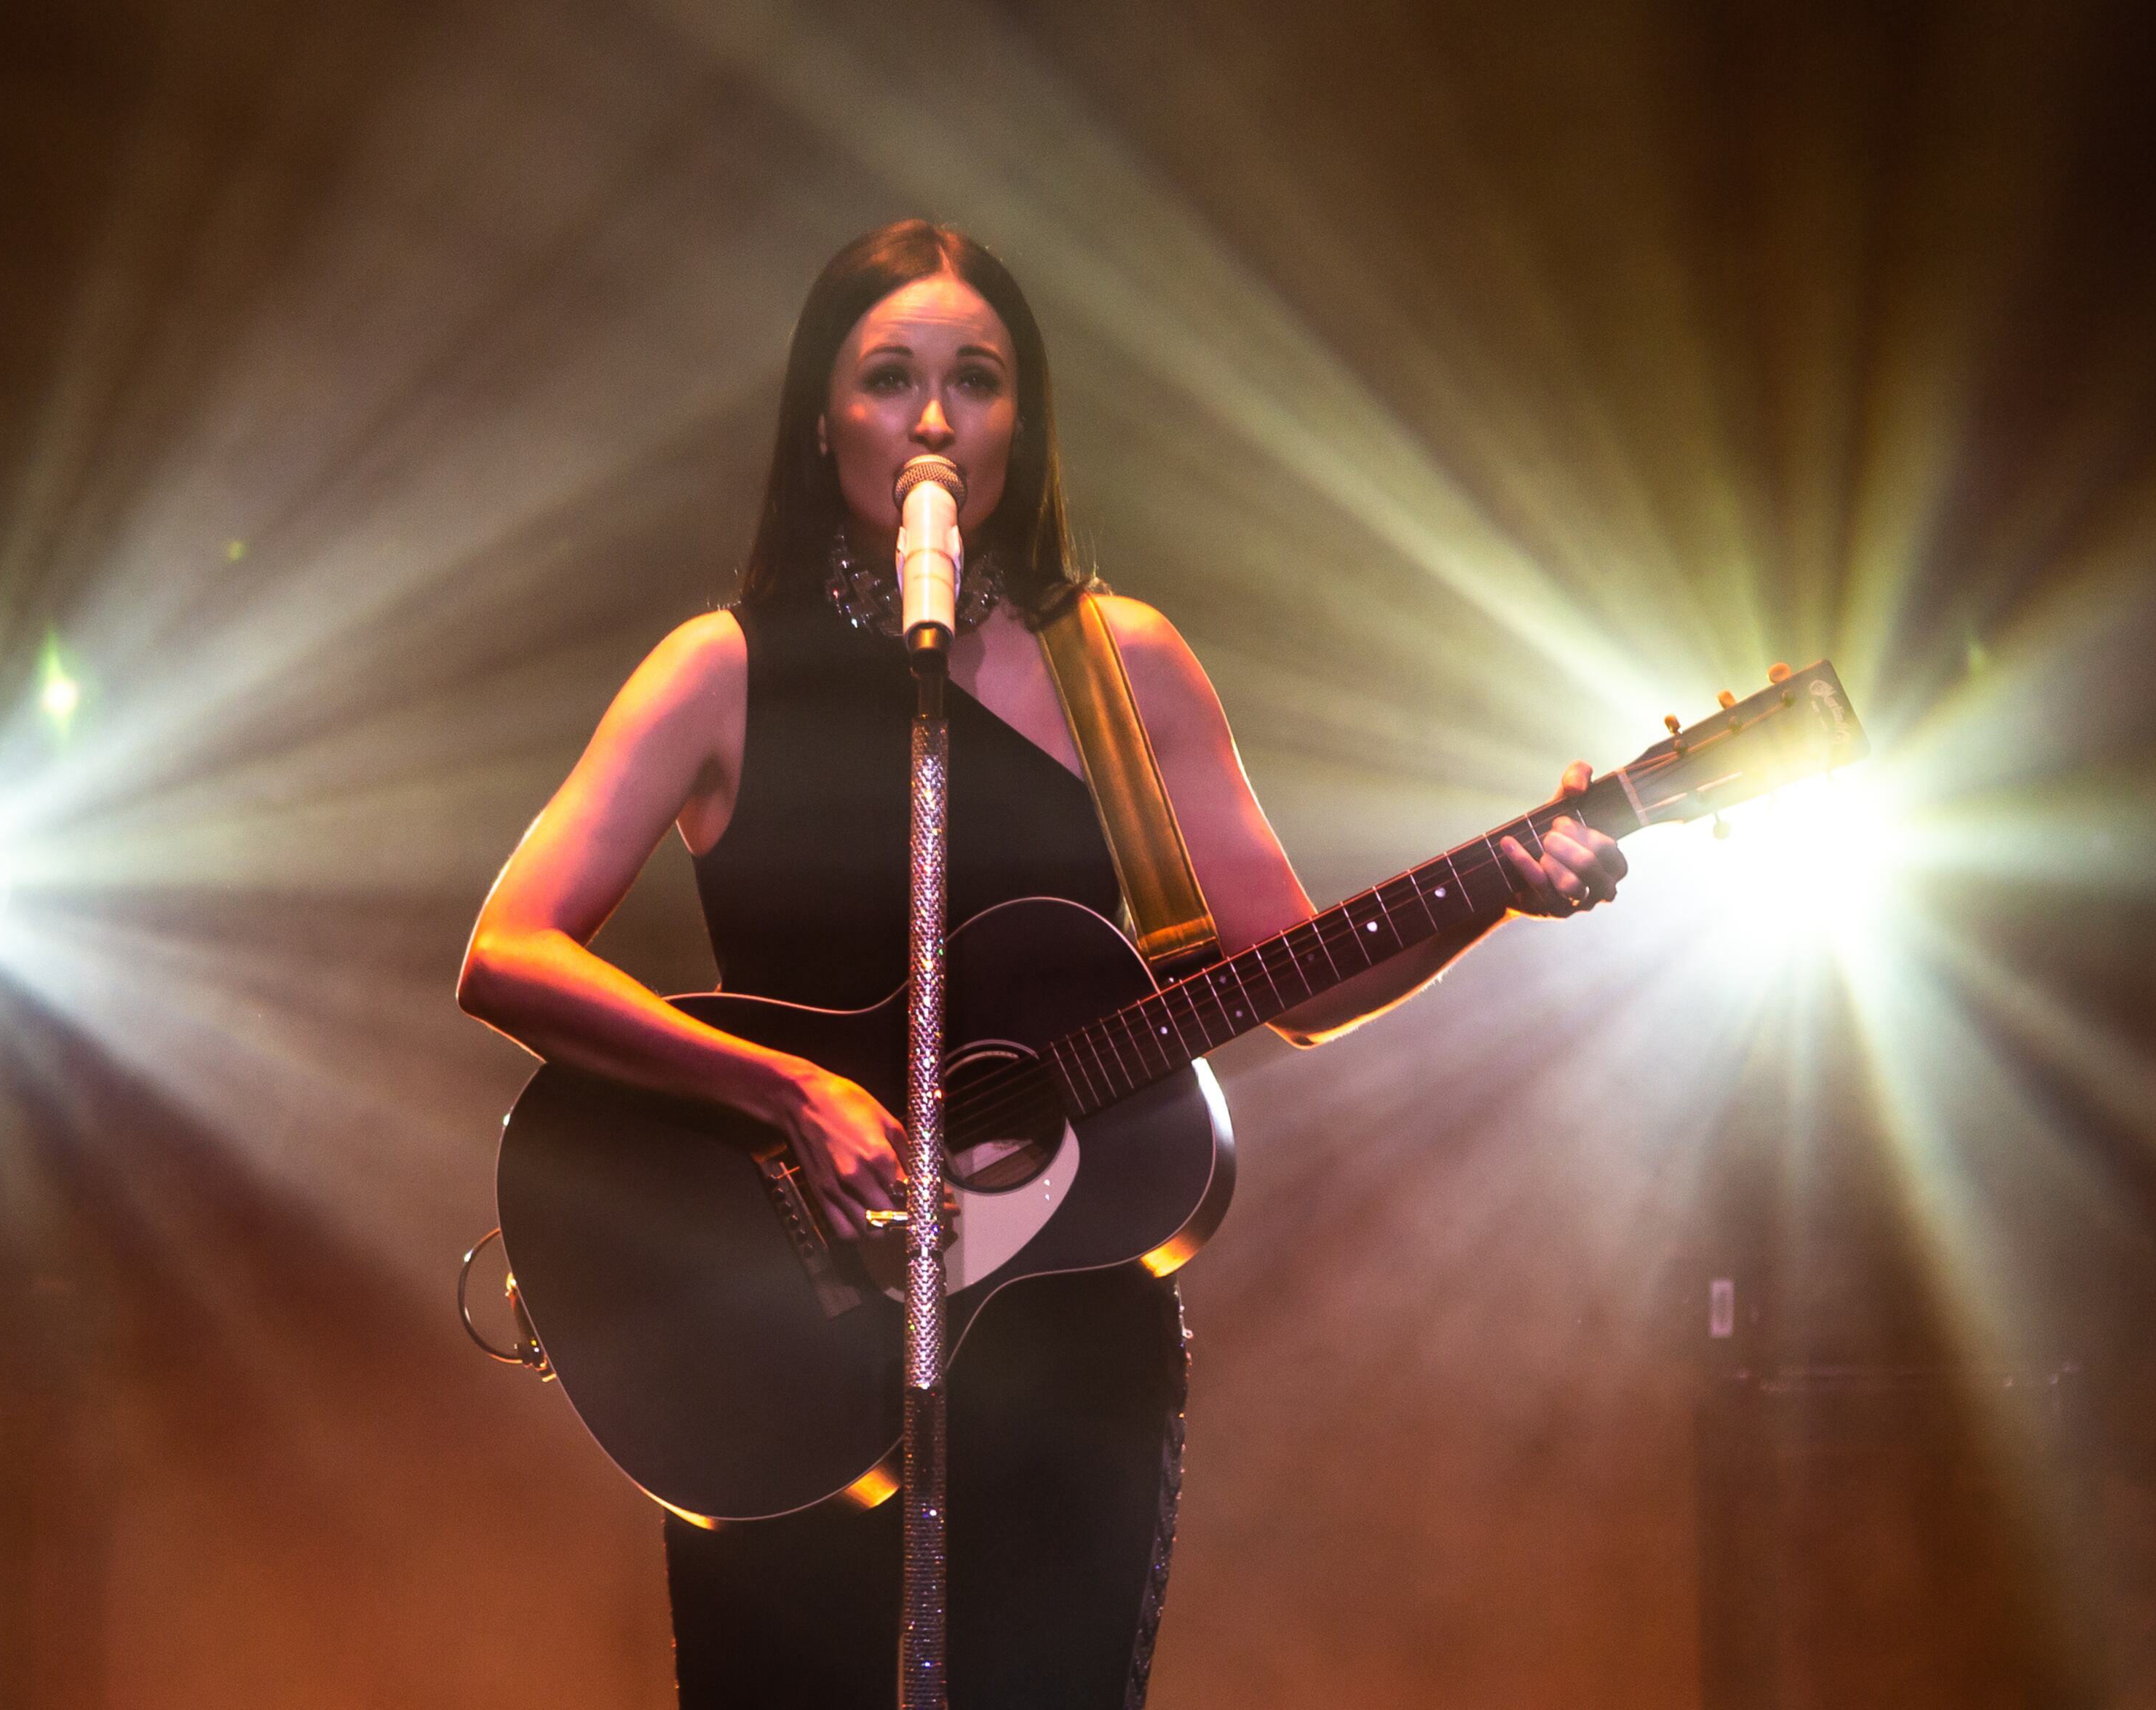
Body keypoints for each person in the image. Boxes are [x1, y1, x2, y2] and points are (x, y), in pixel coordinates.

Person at [456, 221, 1627, 1709]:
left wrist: (1494, 892)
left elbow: (1292, 974)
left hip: (1066, 1348)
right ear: (824, 416)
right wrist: (792, 1091)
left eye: (978, 378)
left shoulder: (1121, 666)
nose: (934, 416)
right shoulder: (720, 669)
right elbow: (509, 948)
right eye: (890, 375)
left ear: (1030, 417)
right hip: (778, 1337)